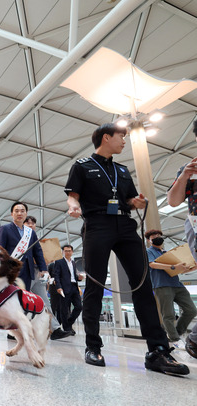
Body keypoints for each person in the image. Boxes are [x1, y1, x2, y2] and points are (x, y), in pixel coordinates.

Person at [65, 122, 188, 375]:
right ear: (106, 137)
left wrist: (136, 202)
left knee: (142, 285)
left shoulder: (122, 170)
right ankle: (93, 346)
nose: (124, 141)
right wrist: (73, 205)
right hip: (97, 224)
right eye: (121, 137)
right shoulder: (82, 166)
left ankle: (158, 351)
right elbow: (73, 194)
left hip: (125, 225)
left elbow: (129, 199)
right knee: (96, 285)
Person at [166, 119, 197, 358]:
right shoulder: (189, 168)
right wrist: (185, 176)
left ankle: (195, 338)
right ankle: (193, 338)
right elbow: (174, 201)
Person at [145, 229, 197, 349]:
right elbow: (152, 264)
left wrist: (192, 267)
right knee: (168, 314)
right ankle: (175, 339)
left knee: (191, 310)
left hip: (177, 285)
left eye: (159, 235)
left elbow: (180, 269)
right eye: (154, 236)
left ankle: (176, 333)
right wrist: (173, 266)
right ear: (149, 240)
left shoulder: (168, 253)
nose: (157, 237)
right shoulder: (148, 251)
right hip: (161, 285)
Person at [23, 216, 71, 340]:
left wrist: (45, 268)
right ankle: (15, 330)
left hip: (37, 272)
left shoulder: (37, 240)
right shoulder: (20, 239)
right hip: (24, 272)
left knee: (45, 302)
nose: (31, 225)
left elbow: (40, 255)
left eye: (33, 223)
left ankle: (55, 329)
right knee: (21, 301)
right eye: (27, 223)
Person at [0, 202, 47, 292]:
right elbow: (0, 250)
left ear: (26, 214)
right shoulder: (5, 229)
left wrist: (43, 268)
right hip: (11, 270)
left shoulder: (30, 232)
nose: (19, 213)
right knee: (10, 296)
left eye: (22, 211)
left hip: (27, 270)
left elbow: (37, 251)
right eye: (16, 211)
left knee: (24, 297)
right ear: (12, 214)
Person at [52, 244, 83, 335]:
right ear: (63, 252)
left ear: (72, 252)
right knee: (64, 309)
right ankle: (67, 328)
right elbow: (56, 276)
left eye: (69, 251)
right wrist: (58, 287)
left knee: (79, 306)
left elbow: (73, 276)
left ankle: (68, 323)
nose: (68, 252)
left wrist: (79, 278)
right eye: (66, 251)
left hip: (74, 287)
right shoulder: (59, 262)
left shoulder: (73, 262)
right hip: (64, 288)